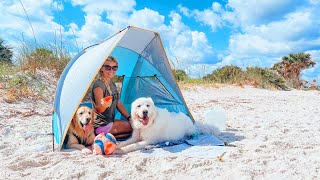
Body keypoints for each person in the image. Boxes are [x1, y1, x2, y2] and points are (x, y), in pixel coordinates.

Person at [91, 56, 132, 139]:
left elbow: (118, 103)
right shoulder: (99, 85)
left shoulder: (112, 85)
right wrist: (104, 105)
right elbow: (98, 109)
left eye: (114, 68)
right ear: (101, 68)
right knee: (132, 129)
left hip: (110, 122)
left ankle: (106, 137)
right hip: (101, 125)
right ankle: (100, 135)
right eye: (107, 67)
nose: (111, 71)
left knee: (134, 127)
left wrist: (129, 117)